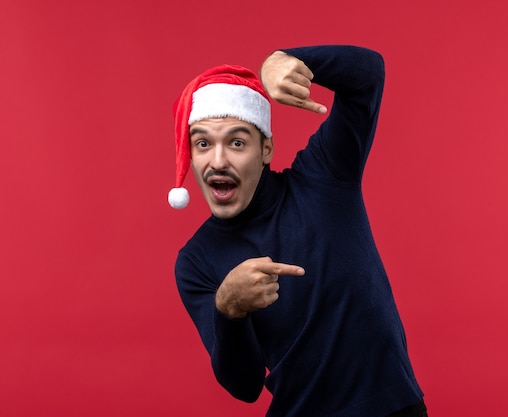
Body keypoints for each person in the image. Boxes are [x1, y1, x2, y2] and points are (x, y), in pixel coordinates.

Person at [168, 45, 428, 417]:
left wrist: (285, 59)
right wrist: (229, 309)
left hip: (395, 407)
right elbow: (243, 387)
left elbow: (368, 74)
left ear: (266, 148)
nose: (218, 160)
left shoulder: (323, 178)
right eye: (203, 143)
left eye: (237, 142)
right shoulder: (196, 261)